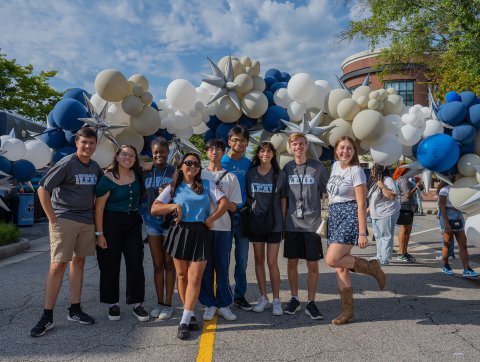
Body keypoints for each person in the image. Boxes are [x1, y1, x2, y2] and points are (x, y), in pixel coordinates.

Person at [30, 127, 103, 337]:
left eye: (91, 142)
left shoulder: (94, 166)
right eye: (84, 142)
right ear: (76, 143)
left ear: (95, 145)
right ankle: (47, 316)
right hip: (65, 219)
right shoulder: (68, 163)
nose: (87, 146)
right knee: (58, 265)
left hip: (86, 221)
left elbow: (104, 184)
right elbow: (43, 188)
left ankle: (75, 309)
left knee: (78, 262)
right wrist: (53, 219)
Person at [151, 153, 229, 340]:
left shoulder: (207, 185)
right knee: (182, 275)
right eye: (188, 163)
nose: (192, 166)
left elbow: (224, 203)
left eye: (196, 164)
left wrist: (211, 219)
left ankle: (184, 321)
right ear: (181, 166)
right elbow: (155, 208)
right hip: (180, 232)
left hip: (201, 232)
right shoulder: (173, 187)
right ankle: (190, 313)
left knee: (195, 278)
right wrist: (173, 206)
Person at [325, 136, 386, 326]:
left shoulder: (357, 171)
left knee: (332, 259)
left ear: (354, 151)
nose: (345, 151)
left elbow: (361, 205)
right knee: (340, 266)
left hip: (349, 215)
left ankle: (371, 267)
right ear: (336, 150)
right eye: (342, 148)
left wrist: (362, 232)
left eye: (349, 148)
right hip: (335, 215)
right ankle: (347, 311)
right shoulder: (335, 166)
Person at [94, 145, 149, 322]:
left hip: (132, 222)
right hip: (110, 223)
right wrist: (99, 234)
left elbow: (154, 164)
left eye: (132, 155)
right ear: (117, 156)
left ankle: (137, 303)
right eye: (124, 154)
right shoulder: (106, 179)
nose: (128, 158)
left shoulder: (138, 174)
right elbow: (99, 208)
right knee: (110, 263)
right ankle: (112, 303)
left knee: (135, 262)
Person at [281, 133, 328, 320]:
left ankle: (311, 302)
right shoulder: (287, 168)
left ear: (307, 145)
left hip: (312, 224)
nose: (298, 147)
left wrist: (328, 215)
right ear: (290, 147)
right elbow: (283, 197)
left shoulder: (318, 168)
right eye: (294, 144)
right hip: (292, 224)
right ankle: (294, 299)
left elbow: (329, 191)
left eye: (301, 143)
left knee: (312, 265)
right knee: (292, 263)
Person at [199, 139, 242, 322]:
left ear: (223, 152)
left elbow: (234, 205)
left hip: (223, 228)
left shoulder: (230, 177)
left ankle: (224, 303)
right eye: (210, 149)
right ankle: (209, 303)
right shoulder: (199, 174)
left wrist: (220, 204)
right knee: (206, 267)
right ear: (206, 152)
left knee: (222, 267)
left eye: (218, 149)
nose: (214, 152)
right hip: (202, 228)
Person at [246, 141, 284, 316]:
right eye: (262, 151)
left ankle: (277, 299)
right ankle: (263, 297)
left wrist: (282, 223)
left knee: (272, 263)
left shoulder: (279, 174)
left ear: (273, 155)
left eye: (269, 151)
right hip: (256, 223)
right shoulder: (251, 174)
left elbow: (284, 200)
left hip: (274, 224)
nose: (265, 154)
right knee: (259, 261)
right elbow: (248, 198)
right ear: (258, 154)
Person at [143, 137, 176, 320]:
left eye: (162, 152)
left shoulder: (175, 172)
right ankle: (159, 302)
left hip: (168, 222)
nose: (159, 155)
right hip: (151, 220)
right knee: (157, 264)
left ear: (168, 153)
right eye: (155, 152)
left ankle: (169, 304)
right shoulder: (146, 171)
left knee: (169, 263)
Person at [221, 125, 253, 311]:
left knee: (242, 260)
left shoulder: (249, 164)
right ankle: (224, 297)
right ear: (229, 141)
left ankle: (240, 296)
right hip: (223, 216)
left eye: (242, 140)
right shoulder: (221, 162)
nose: (238, 143)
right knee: (223, 259)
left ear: (247, 143)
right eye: (235, 140)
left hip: (242, 216)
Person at [437, 180, 479, 277]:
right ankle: (446, 266)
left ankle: (466, 269)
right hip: (448, 215)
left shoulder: (461, 188)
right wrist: (446, 223)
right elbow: (442, 206)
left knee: (463, 245)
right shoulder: (444, 190)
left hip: (458, 215)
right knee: (447, 243)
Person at [367, 164, 400, 265]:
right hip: (375, 213)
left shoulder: (387, 180)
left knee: (386, 236)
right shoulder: (375, 181)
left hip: (387, 212)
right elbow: (373, 198)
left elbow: (392, 196)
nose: (371, 170)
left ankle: (385, 259)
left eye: (373, 169)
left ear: (380, 170)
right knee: (378, 236)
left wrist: (382, 186)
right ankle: (379, 256)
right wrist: (368, 209)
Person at [392, 166, 419, 262]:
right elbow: (407, 194)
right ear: (405, 171)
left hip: (406, 207)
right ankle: (401, 253)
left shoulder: (401, 179)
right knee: (404, 230)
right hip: (405, 206)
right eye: (409, 170)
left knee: (407, 230)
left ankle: (404, 252)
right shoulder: (403, 180)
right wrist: (416, 187)